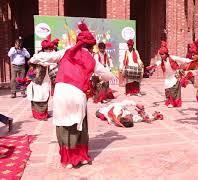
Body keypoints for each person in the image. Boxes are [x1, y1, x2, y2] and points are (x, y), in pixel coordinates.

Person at [29, 22, 114, 169]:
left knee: (64, 126)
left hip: (61, 93)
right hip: (78, 94)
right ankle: (82, 158)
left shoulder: (66, 51)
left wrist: (33, 59)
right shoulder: (91, 59)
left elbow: (45, 57)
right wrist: (98, 76)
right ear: (91, 46)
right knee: (79, 126)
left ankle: (68, 160)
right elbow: (107, 75)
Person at [150, 41, 192, 108]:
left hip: (175, 75)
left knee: (174, 89)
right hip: (168, 77)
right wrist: (153, 66)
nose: (161, 56)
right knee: (167, 89)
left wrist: (191, 61)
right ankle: (170, 102)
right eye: (160, 54)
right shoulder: (162, 61)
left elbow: (181, 59)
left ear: (166, 54)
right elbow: (157, 63)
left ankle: (173, 103)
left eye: (162, 54)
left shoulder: (172, 58)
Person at [26, 39, 53, 120]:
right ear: (45, 49)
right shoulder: (38, 56)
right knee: (38, 96)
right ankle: (39, 115)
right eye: (49, 49)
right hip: (38, 80)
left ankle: (44, 113)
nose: (51, 51)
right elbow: (30, 61)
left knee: (45, 96)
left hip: (45, 79)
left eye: (51, 49)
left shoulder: (49, 55)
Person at [95, 100, 163, 127]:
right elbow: (142, 118)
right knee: (101, 114)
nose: (131, 115)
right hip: (105, 111)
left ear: (125, 117)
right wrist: (154, 117)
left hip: (104, 110)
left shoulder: (117, 110)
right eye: (131, 117)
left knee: (101, 114)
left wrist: (136, 104)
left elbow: (125, 103)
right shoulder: (129, 119)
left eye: (130, 116)